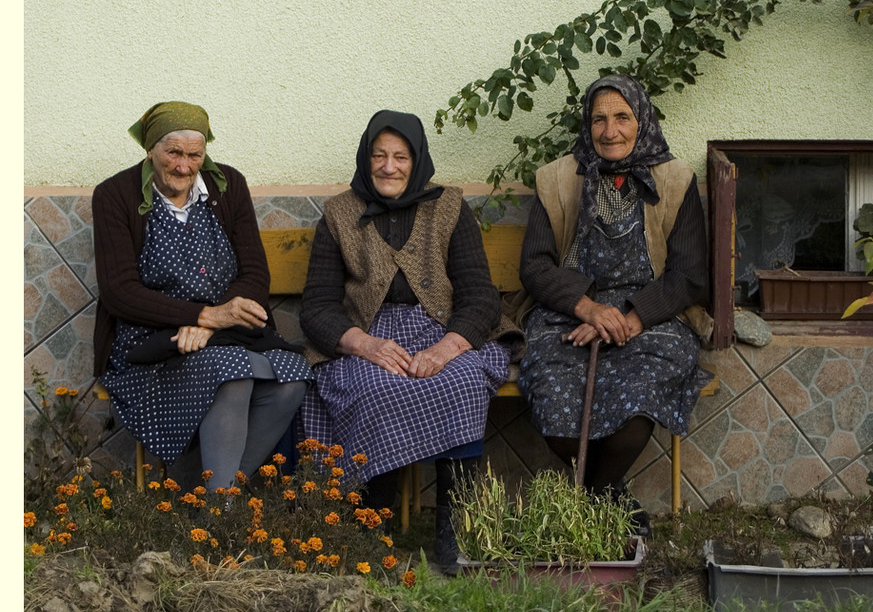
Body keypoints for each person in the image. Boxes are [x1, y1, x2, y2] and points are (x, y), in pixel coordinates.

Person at [298, 109, 516, 572]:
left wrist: (445, 348)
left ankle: (453, 532)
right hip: (365, 339)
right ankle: (370, 531)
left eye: (400, 156)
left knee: (462, 383)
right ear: (365, 157)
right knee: (375, 389)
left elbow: (479, 295)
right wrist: (363, 344)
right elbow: (317, 306)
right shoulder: (339, 214)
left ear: (417, 162)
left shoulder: (450, 207)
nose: (388, 166)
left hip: (441, 334)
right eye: (379, 155)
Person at [517, 74, 714, 534]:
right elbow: (536, 267)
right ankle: (613, 504)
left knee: (640, 396)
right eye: (599, 119)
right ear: (587, 126)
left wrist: (629, 318)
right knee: (555, 402)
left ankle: (590, 509)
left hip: (652, 316)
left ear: (641, 120)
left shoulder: (675, 179)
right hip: (569, 314)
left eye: (622, 117)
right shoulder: (557, 179)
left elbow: (688, 275)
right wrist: (588, 310)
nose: (610, 131)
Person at [93, 101, 312, 494]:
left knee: (292, 379)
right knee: (232, 374)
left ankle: (203, 492)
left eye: (195, 154)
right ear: (150, 149)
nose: (184, 166)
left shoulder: (228, 185)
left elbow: (254, 274)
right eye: (173, 153)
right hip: (151, 343)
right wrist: (203, 316)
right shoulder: (114, 195)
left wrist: (214, 322)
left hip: (227, 334)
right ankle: (222, 511)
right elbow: (119, 292)